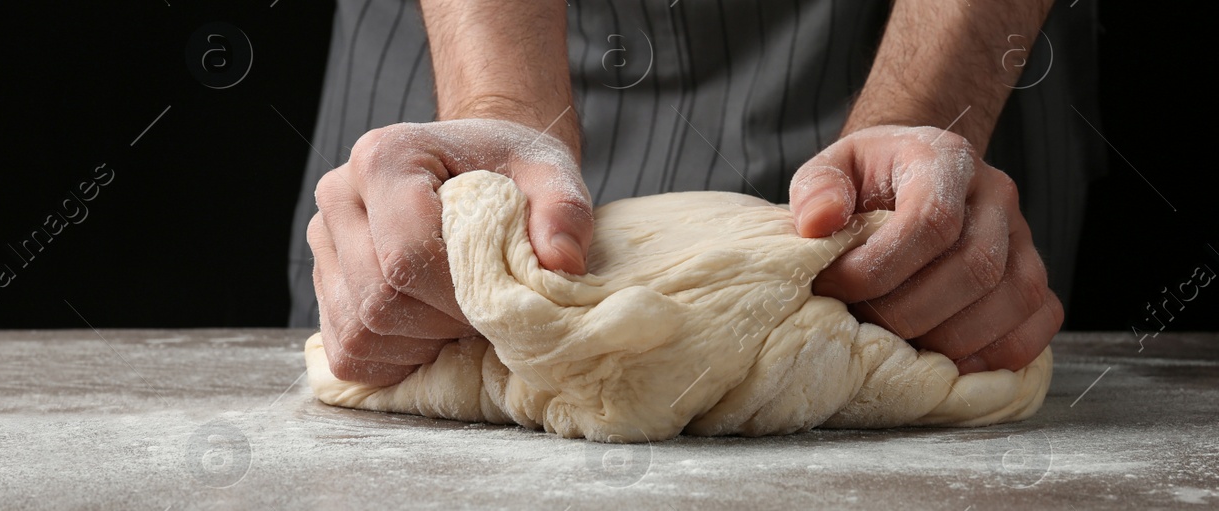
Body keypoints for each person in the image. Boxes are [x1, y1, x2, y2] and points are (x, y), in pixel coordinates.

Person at [289, 0, 1103, 386]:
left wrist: (920, 127)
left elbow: (916, 210)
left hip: (919, 40)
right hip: (464, 53)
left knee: (927, 290)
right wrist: (497, 116)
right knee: (412, 296)